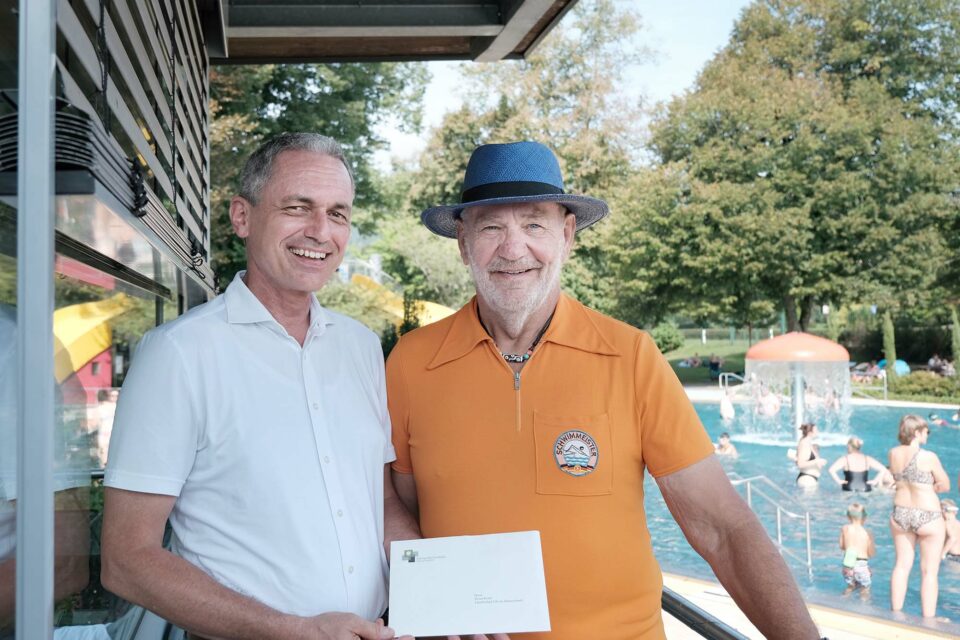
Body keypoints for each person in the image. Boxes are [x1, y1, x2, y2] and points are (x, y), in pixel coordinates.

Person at [386, 141, 820, 639]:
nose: (513, 249)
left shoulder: (631, 357)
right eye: (491, 228)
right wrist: (438, 606)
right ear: (463, 243)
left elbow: (722, 528)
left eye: (534, 225)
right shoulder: (411, 363)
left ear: (567, 235)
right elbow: (401, 509)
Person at [101, 134, 417, 640]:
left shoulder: (360, 347)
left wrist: (441, 595)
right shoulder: (179, 354)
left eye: (338, 213)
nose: (320, 231)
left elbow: (378, 501)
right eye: (298, 207)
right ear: (242, 216)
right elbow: (126, 560)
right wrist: (293, 631)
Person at [887, 414, 950, 618]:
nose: (927, 435)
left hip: (901, 513)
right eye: (926, 431)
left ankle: (895, 614)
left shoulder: (893, 453)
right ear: (916, 432)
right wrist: (930, 487)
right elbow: (945, 485)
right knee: (929, 572)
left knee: (901, 566)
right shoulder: (928, 456)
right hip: (928, 514)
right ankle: (928, 620)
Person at [827, 437, 892, 492]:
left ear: (849, 446)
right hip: (865, 488)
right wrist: (875, 481)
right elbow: (883, 469)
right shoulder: (867, 458)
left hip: (849, 487)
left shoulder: (845, 459)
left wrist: (839, 481)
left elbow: (831, 470)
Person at [839, 503, 875, 595]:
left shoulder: (845, 529)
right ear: (864, 518)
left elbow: (841, 546)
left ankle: (843, 599)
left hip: (848, 564)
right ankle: (864, 603)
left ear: (848, 517)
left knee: (850, 586)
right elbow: (871, 553)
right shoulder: (867, 532)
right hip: (861, 565)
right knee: (865, 589)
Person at [795, 423, 826, 488]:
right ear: (810, 433)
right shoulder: (804, 443)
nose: (818, 432)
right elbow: (800, 464)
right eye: (816, 430)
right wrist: (817, 461)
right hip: (807, 480)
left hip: (809, 478)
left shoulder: (807, 442)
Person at [941, 499, 960, 563]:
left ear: (943, 511)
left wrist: (942, 554)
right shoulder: (958, 523)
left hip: (952, 557)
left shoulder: (946, 523)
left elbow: (952, 538)